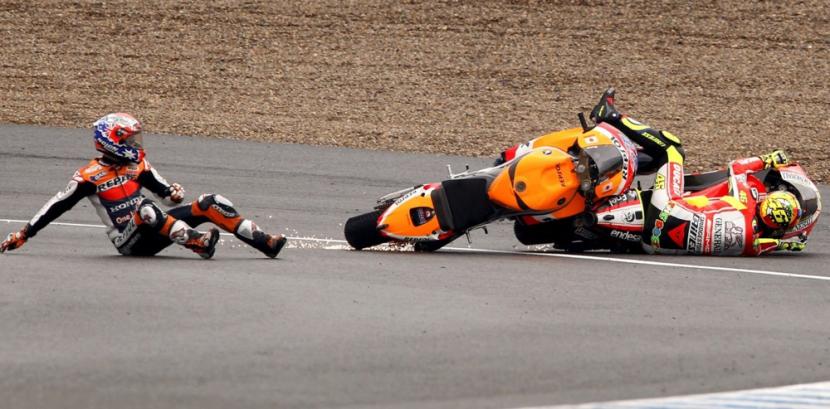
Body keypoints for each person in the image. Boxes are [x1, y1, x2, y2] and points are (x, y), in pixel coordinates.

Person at [0, 113, 287, 259]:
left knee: (210, 201)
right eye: (128, 140)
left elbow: (167, 199)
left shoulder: (139, 166)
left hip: (158, 226)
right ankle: (198, 244)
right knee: (145, 208)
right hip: (129, 241)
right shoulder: (88, 176)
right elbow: (54, 206)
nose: (134, 145)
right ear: (112, 142)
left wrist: (175, 193)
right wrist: (24, 234)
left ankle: (266, 244)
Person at [590, 92, 808, 255]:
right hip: (656, 245)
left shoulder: (747, 197)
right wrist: (788, 242)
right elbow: (773, 246)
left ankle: (610, 116)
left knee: (671, 149)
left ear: (767, 203)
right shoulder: (756, 241)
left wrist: (767, 159)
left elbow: (737, 168)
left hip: (668, 207)